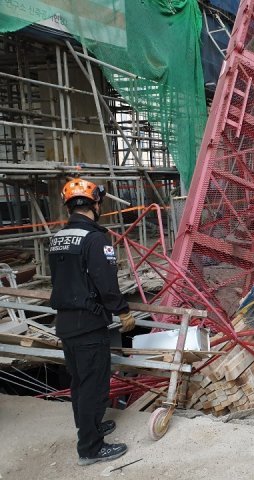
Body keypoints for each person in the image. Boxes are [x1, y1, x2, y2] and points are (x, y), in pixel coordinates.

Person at [49, 178, 135, 466]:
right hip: (88, 324)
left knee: (79, 382)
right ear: (95, 203)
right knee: (93, 385)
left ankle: (90, 427)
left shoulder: (58, 237)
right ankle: (90, 447)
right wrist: (123, 311)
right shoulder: (95, 238)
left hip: (66, 323)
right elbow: (106, 284)